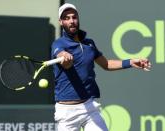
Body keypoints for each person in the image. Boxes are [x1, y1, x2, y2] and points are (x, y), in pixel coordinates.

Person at [51, 3, 151, 131]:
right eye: (66, 18)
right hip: (67, 112)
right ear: (60, 22)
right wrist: (65, 57)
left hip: (89, 107)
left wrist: (131, 62)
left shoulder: (89, 44)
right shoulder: (58, 44)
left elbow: (106, 64)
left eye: (74, 17)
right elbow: (62, 58)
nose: (71, 21)